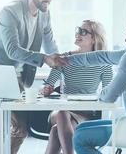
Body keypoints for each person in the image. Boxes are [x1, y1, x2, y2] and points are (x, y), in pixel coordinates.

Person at [0, 0, 67, 154]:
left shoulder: (44, 14)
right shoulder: (9, 12)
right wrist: (44, 59)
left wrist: (60, 60)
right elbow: (12, 50)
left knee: (20, 129)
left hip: (16, 75)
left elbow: (50, 45)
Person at [62, 13, 126, 154]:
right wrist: (66, 59)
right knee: (80, 128)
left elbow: (108, 97)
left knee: (80, 138)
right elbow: (103, 56)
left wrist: (100, 92)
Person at [42, 20, 113, 154]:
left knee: (56, 131)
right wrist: (46, 89)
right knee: (63, 113)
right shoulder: (64, 58)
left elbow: (108, 94)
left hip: (86, 114)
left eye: (83, 32)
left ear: (94, 38)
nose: (78, 34)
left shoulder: (104, 62)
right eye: (78, 30)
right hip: (59, 112)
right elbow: (48, 84)